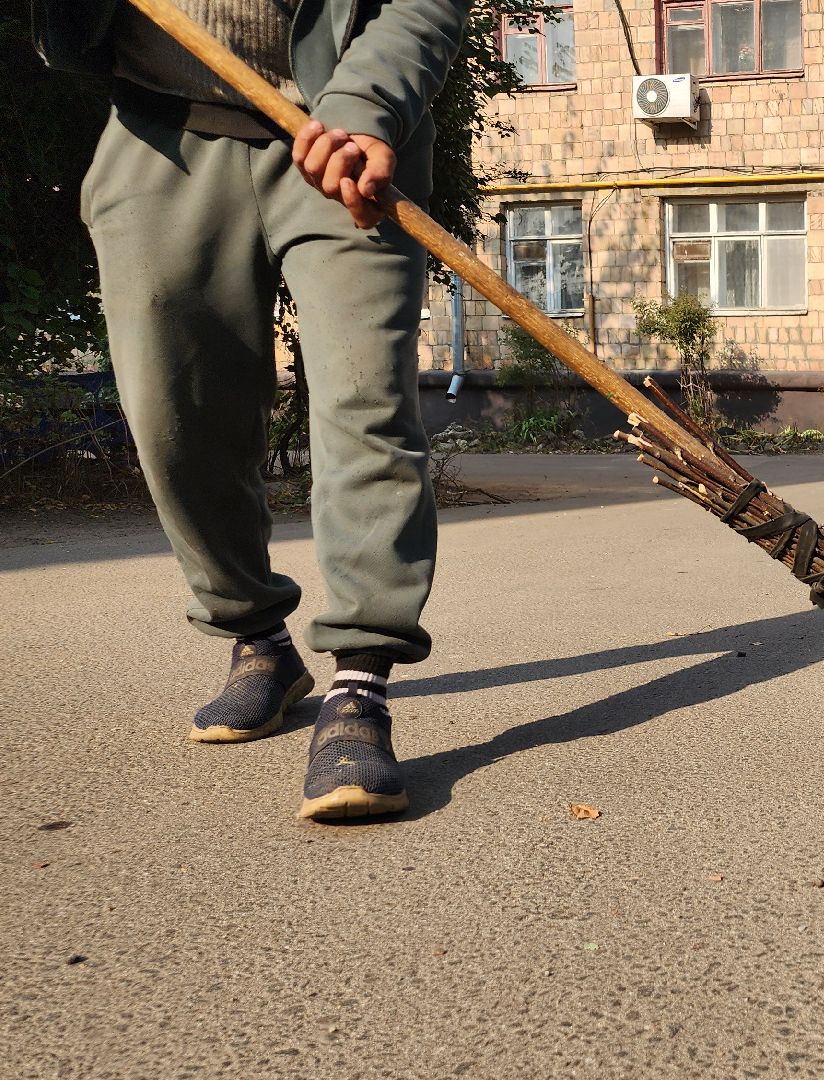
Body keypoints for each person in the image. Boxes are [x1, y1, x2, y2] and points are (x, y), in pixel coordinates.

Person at [34, 0, 470, 820]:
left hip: (345, 132)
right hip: (162, 135)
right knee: (174, 416)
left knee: (363, 399)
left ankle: (359, 686)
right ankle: (258, 640)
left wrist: (364, 107)